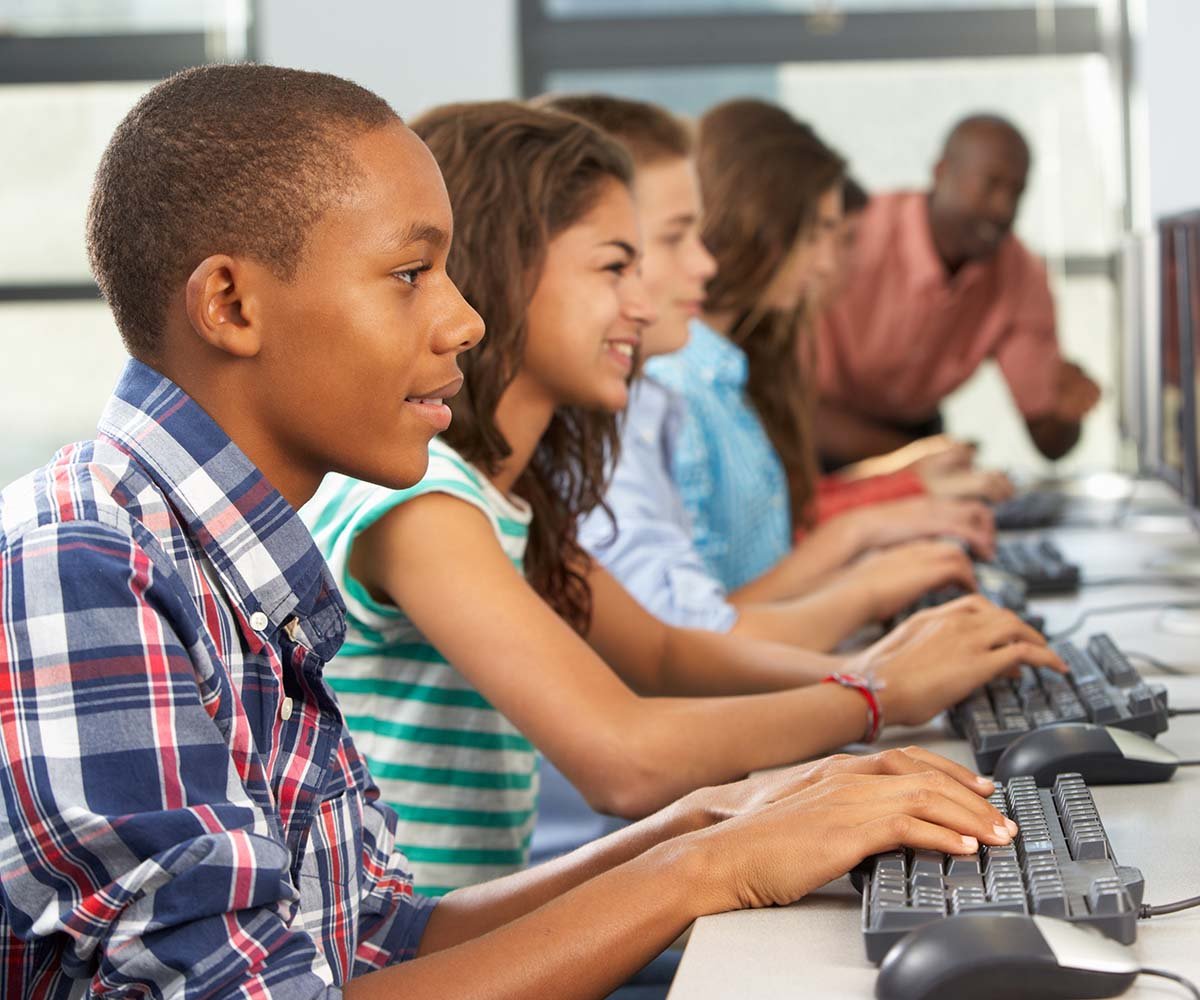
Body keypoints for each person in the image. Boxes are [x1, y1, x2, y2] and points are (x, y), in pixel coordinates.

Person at [0, 65, 1033, 999]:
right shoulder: (87, 561)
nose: (464, 320)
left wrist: (710, 822)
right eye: (411, 275)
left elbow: (373, 938)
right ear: (230, 301)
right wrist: (701, 867)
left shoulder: (244, 566)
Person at [300, 99, 1061, 900]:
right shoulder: (424, 505)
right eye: (614, 267)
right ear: (509, 269)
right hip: (421, 953)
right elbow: (625, 759)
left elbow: (666, 653)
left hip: (468, 926)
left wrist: (871, 668)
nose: (644, 300)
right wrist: (872, 696)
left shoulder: (505, 500)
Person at [815, 113, 1102, 467]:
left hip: (917, 435)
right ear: (940, 172)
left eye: (1017, 191)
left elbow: (1051, 443)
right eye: (991, 185)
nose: (1004, 209)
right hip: (819, 429)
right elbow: (789, 409)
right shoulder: (852, 236)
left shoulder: (1020, 274)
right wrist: (922, 457)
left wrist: (1065, 412)